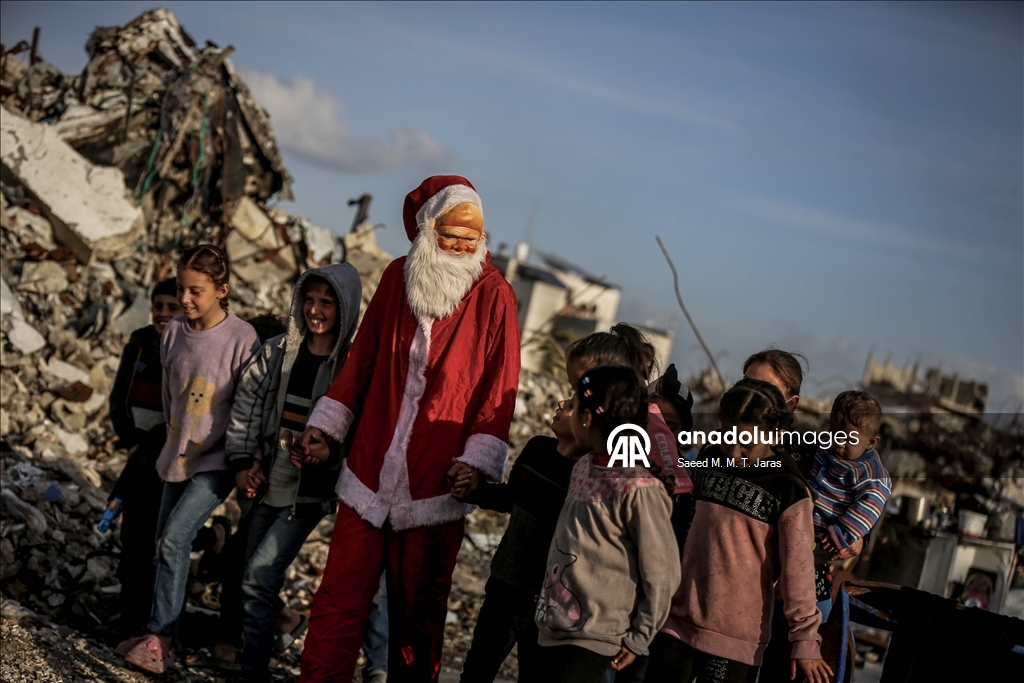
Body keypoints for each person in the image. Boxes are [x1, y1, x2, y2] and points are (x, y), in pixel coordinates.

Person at [293, 175, 521, 682]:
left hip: (437, 482)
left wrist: (477, 463)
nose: (463, 247)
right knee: (338, 599)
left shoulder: (496, 296)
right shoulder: (398, 276)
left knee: (419, 620)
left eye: (473, 238)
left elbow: (499, 390)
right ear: (426, 231)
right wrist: (325, 429)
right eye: (452, 236)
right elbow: (362, 362)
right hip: (369, 468)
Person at [117, 245, 261, 674]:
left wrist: (243, 458)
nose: (184, 299)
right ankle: (164, 638)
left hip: (218, 459)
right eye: (181, 289)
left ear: (221, 291)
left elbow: (249, 405)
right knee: (162, 545)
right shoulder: (175, 331)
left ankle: (159, 636)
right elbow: (170, 396)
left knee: (173, 540)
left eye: (195, 291)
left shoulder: (241, 339)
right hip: (177, 454)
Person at [224, 265, 362, 683]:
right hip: (269, 480)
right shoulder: (278, 352)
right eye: (310, 300)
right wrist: (244, 460)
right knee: (249, 575)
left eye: (327, 303)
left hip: (307, 495)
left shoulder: (351, 368)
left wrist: (329, 453)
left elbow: (360, 429)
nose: (315, 310)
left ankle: (253, 671)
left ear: (345, 310)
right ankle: (261, 650)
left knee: (259, 577)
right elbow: (248, 405)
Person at [646, 378, 832, 683]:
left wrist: (805, 640)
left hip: (736, 639)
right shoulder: (709, 458)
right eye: (727, 437)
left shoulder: (788, 487)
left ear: (775, 434)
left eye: (746, 444)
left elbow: (798, 570)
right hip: (677, 623)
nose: (733, 453)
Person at [536, 365, 681, 683]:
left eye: (575, 404)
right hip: (552, 626)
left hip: (596, 637)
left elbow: (663, 572)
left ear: (587, 417)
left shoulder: (639, 488)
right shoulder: (583, 467)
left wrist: (640, 636)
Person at [107, 278, 181, 634]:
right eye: (158, 306)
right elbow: (119, 399)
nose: (163, 314)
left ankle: (150, 623)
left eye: (172, 307)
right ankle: (131, 619)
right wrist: (132, 441)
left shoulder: (188, 347)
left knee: (161, 535)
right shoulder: (139, 344)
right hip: (140, 455)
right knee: (134, 535)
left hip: (171, 458)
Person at [807, 390, 891, 623]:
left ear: (871, 442)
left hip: (828, 534)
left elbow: (868, 508)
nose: (838, 443)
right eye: (834, 433)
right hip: (805, 521)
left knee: (800, 563)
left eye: (848, 439)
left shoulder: (870, 473)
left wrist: (843, 534)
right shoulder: (822, 448)